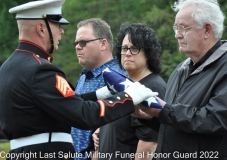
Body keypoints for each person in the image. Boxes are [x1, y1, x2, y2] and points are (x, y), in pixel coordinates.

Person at [0, 0, 158, 159]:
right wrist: (129, 97)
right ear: (41, 28)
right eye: (57, 25)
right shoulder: (40, 69)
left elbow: (57, 103)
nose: (61, 31)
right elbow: (84, 115)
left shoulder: (7, 68)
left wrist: (97, 95)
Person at [133, 0, 227, 159]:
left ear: (207, 30)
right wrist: (148, 116)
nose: (177, 34)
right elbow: (174, 124)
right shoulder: (180, 70)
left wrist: (163, 110)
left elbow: (217, 120)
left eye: (184, 27)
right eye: (176, 27)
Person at [92, 22, 166, 160]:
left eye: (134, 48)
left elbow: (149, 145)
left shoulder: (152, 88)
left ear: (148, 53)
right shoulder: (121, 85)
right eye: (124, 48)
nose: (127, 53)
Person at [71, 18, 126, 160]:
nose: (77, 47)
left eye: (83, 42)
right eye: (76, 43)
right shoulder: (83, 77)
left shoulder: (118, 77)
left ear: (103, 44)